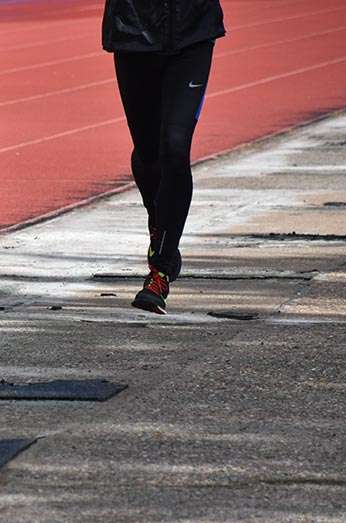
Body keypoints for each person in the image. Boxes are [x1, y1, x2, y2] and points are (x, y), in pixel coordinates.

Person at [103, 0, 225, 314]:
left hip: (192, 34)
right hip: (133, 32)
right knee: (149, 154)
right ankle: (159, 222)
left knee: (174, 147)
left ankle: (160, 271)